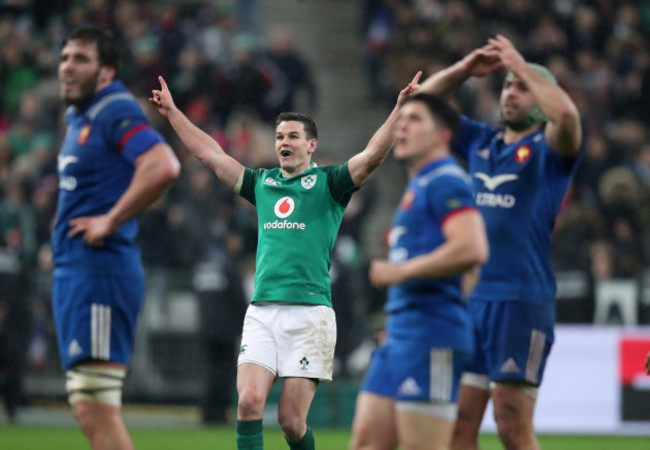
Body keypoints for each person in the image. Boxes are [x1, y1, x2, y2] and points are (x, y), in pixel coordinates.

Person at [150, 70, 422, 450]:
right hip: (263, 312)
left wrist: (398, 110)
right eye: (279, 136)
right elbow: (210, 154)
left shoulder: (330, 184)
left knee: (291, 423)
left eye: (293, 136)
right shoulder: (262, 183)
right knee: (248, 402)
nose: (284, 142)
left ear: (312, 145)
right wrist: (174, 113)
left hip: (309, 314)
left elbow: (372, 155)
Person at [417, 35, 582, 450]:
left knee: (511, 426)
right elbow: (418, 104)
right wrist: (464, 68)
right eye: (508, 84)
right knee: (457, 427)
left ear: (540, 99)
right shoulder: (480, 142)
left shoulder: (550, 149)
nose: (512, 92)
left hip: (520, 300)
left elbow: (565, 113)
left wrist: (523, 65)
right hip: (471, 301)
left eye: (522, 87)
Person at [52, 26, 180, 449]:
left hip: (100, 272)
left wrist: (109, 220)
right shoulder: (80, 116)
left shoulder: (114, 108)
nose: (67, 66)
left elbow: (162, 165)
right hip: (77, 272)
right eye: (65, 57)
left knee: (95, 407)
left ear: (107, 71)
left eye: (81, 59)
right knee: (87, 405)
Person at [349, 93, 489, 450]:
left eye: (415, 119)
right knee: (366, 442)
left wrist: (404, 273)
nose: (402, 125)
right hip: (401, 334)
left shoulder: (447, 181)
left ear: (442, 135)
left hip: (432, 337)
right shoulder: (421, 183)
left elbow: (473, 248)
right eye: (401, 118)